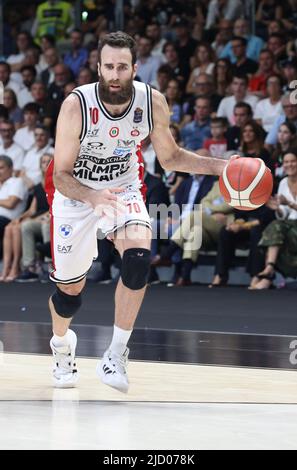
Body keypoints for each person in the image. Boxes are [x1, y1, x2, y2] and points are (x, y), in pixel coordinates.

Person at [46, 31, 230, 394]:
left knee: (138, 255)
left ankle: (116, 353)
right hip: (76, 193)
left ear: (135, 68)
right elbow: (60, 175)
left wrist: (223, 166)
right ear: (98, 68)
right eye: (108, 67)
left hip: (125, 185)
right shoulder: (76, 105)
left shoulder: (152, 101)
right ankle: (61, 344)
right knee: (71, 293)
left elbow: (172, 157)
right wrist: (93, 197)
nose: (114, 74)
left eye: (122, 67)